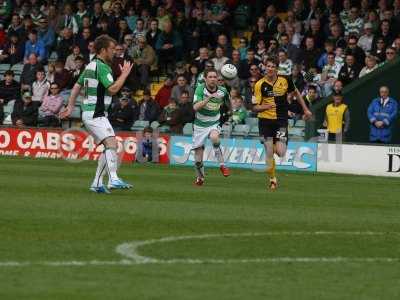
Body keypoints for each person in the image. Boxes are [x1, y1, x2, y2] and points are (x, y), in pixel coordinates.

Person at [60, 34, 134, 193]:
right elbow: (113, 89)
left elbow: (76, 86)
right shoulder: (102, 67)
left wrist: (71, 106)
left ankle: (97, 183)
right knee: (112, 144)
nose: (114, 52)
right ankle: (113, 179)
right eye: (112, 49)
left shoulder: (90, 65)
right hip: (96, 113)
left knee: (108, 146)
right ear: (103, 50)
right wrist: (124, 75)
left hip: (90, 112)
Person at [253, 57, 312, 190]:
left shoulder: (285, 80)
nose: (270, 68)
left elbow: (296, 92)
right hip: (265, 121)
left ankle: (270, 149)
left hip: (281, 120)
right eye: (268, 66)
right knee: (269, 151)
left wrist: (306, 109)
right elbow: (254, 107)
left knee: (281, 152)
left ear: (277, 69)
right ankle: (273, 179)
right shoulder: (259, 84)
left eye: (273, 66)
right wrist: (265, 107)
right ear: (265, 68)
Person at [192, 68, 230, 186]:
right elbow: (195, 107)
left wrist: (229, 113)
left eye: (215, 77)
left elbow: (228, 103)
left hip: (214, 121)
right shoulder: (200, 89)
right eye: (210, 77)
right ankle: (200, 178)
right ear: (205, 79)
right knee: (198, 160)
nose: (213, 79)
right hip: (199, 125)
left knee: (214, 138)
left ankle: (222, 165)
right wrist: (207, 99)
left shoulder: (223, 91)